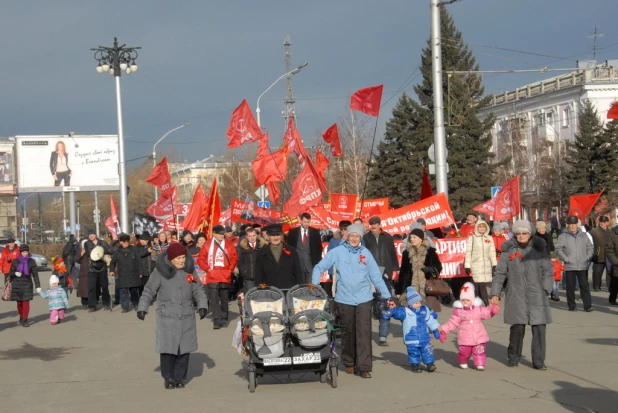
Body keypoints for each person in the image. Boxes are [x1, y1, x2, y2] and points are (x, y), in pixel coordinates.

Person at [312, 224, 392, 379]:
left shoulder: (366, 254)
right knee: (348, 331)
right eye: (352, 236)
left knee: (364, 331)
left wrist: (387, 295)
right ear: (347, 236)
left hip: (364, 298)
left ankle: (364, 367)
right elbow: (319, 267)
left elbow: (376, 276)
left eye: (357, 236)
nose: (354, 239)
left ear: (360, 238)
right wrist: (315, 287)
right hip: (344, 298)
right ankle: (349, 362)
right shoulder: (337, 252)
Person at [137, 242, 208, 389]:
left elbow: (198, 290)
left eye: (183, 257)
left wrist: (202, 305)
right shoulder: (160, 272)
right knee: (168, 350)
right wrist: (142, 307)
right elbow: (149, 290)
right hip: (167, 316)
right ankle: (168, 377)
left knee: (184, 350)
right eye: (179, 258)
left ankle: (180, 377)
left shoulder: (190, 271)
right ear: (171, 259)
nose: (182, 260)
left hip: (187, 315)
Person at [490, 219, 553, 370]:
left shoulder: (539, 249)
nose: (521, 236)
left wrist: (545, 289)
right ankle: (513, 357)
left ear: (530, 234)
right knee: (517, 328)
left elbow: (548, 271)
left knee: (539, 329)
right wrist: (495, 293)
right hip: (516, 294)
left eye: (524, 233)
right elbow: (499, 274)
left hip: (537, 294)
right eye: (518, 233)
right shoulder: (508, 250)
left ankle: (538, 361)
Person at [438, 282, 499, 371]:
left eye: (467, 300)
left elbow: (485, 313)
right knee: (465, 352)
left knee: (480, 350)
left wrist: (492, 309)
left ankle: (480, 364)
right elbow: (452, 322)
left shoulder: (478, 308)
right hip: (465, 337)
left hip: (479, 335)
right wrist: (443, 329)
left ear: (472, 299)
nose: (465, 302)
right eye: (463, 300)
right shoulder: (459, 311)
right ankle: (462, 360)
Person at [385, 288, 440, 373]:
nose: (419, 304)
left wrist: (435, 329)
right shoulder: (405, 311)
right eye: (416, 303)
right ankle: (415, 365)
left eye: (419, 302)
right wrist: (392, 311)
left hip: (424, 337)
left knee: (427, 351)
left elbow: (430, 320)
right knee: (413, 353)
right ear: (410, 304)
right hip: (411, 338)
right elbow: (397, 313)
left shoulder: (424, 310)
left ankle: (430, 364)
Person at [363, 216, 399, 347]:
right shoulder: (365, 238)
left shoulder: (388, 237)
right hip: (369, 275)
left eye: (375, 225)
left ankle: (383, 336)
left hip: (385, 275)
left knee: (385, 304)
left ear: (379, 224)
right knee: (369, 304)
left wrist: (395, 269)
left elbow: (392, 254)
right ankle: (365, 333)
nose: (373, 227)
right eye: (371, 225)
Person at [196, 225, 238, 329]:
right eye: (219, 233)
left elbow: (234, 258)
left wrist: (230, 270)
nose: (222, 235)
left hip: (224, 274)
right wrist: (207, 269)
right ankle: (216, 320)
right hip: (212, 275)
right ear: (214, 234)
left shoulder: (229, 244)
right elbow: (200, 259)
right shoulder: (207, 244)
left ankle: (224, 317)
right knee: (213, 299)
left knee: (224, 299)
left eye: (222, 233)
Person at [397, 228, 442, 312]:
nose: (411, 239)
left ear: (421, 239)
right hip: (410, 288)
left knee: (426, 314)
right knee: (411, 314)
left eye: (414, 237)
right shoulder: (406, 253)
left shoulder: (430, 251)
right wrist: (399, 291)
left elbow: (438, 266)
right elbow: (403, 272)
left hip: (426, 287)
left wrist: (430, 269)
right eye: (411, 237)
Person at [555, 216, 594, 312]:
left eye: (574, 224)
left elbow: (590, 247)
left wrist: (587, 257)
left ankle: (587, 306)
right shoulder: (563, 236)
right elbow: (558, 249)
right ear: (568, 225)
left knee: (584, 286)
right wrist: (565, 258)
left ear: (577, 224)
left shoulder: (584, 235)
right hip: (570, 265)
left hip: (582, 264)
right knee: (570, 287)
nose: (572, 226)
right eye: (571, 224)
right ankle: (572, 306)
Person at [255, 224, 302, 289]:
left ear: (281, 235)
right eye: (273, 235)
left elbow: (298, 273)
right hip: (269, 291)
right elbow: (258, 275)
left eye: (278, 235)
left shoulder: (292, 251)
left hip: (288, 290)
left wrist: (299, 290)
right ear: (268, 236)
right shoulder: (261, 253)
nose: (276, 238)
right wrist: (259, 291)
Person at [464, 220, 497, 306]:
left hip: (486, 264)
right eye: (480, 227)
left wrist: (494, 264)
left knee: (482, 284)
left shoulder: (489, 238)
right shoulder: (472, 238)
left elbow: (492, 252)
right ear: (477, 228)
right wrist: (467, 266)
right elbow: (468, 253)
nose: (482, 228)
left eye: (483, 227)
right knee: (478, 284)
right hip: (476, 264)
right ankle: (481, 304)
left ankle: (482, 303)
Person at [8, 244, 40, 327]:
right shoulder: (16, 261)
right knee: (19, 303)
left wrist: (38, 286)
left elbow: (35, 274)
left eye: (26, 252)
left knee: (26, 302)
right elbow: (10, 273)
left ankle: (25, 319)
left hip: (27, 283)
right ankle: (21, 316)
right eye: (23, 252)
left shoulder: (31, 261)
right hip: (17, 284)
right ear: (20, 252)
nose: (25, 253)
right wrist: (14, 273)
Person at [286, 212, 322, 284]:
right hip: (298, 265)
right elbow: (289, 248)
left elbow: (319, 248)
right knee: (300, 286)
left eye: (308, 222)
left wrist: (317, 262)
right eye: (305, 222)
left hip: (311, 265)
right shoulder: (293, 232)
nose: (307, 224)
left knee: (310, 287)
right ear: (301, 221)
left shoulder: (315, 232)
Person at [110, 233, 142, 313]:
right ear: (121, 242)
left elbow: (139, 261)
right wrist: (111, 270)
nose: (126, 243)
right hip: (122, 274)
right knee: (123, 291)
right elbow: (112, 262)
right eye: (124, 242)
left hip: (133, 273)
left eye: (127, 241)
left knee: (133, 290)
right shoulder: (117, 251)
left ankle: (135, 304)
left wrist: (140, 272)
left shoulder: (134, 249)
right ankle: (125, 306)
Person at [83, 229, 112, 312]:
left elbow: (110, 250)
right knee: (91, 287)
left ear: (96, 235)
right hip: (91, 268)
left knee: (105, 286)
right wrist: (98, 250)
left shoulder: (102, 242)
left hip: (102, 267)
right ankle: (92, 305)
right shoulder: (87, 243)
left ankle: (106, 303)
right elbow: (90, 253)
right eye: (89, 235)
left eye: (92, 234)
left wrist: (104, 251)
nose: (91, 236)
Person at [237, 227, 265, 294]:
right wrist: (244, 272)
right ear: (246, 237)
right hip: (249, 278)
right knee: (250, 296)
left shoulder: (262, 246)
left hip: (261, 278)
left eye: (253, 235)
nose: (252, 238)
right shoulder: (243, 247)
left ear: (256, 235)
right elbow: (240, 261)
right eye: (250, 236)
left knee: (261, 296)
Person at [589, 216, 611, 292]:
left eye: (604, 222)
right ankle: (596, 286)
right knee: (597, 272)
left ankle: (611, 288)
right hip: (598, 255)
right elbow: (588, 241)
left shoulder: (611, 231)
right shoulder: (594, 231)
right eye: (601, 221)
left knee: (610, 273)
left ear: (607, 223)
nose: (602, 223)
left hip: (609, 256)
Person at [603, 223, 618, 305]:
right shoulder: (613, 233)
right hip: (617, 264)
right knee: (615, 284)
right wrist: (615, 261)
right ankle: (612, 298)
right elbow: (608, 249)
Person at [135, 232, 154, 297]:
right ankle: (141, 298)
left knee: (148, 286)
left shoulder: (148, 246)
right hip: (141, 270)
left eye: (147, 240)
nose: (147, 241)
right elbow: (138, 256)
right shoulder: (137, 248)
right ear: (141, 240)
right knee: (141, 287)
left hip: (149, 270)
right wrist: (147, 251)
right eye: (145, 240)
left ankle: (148, 299)